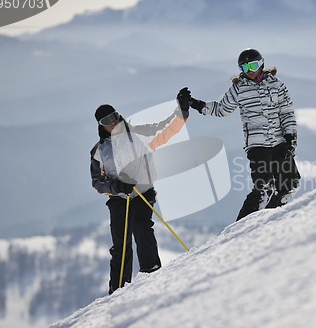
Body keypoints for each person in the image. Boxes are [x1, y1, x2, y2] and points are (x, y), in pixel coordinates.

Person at [178, 48, 300, 222]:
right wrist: (194, 103)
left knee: (289, 186)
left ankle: (270, 219)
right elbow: (221, 109)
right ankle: (241, 227)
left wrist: (290, 137)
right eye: (245, 67)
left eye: (253, 65)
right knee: (263, 189)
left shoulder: (277, 85)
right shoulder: (239, 89)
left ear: (262, 64)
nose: (250, 71)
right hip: (258, 147)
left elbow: (287, 112)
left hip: (280, 142)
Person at [90, 98, 189, 295]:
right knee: (121, 244)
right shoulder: (99, 151)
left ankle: (151, 271)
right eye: (105, 121)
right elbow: (97, 182)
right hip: (119, 199)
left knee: (141, 226)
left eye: (114, 117)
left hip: (143, 193)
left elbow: (166, 129)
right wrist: (117, 186)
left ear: (119, 116)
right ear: (101, 126)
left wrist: (182, 112)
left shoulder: (138, 135)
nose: (112, 123)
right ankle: (118, 289)